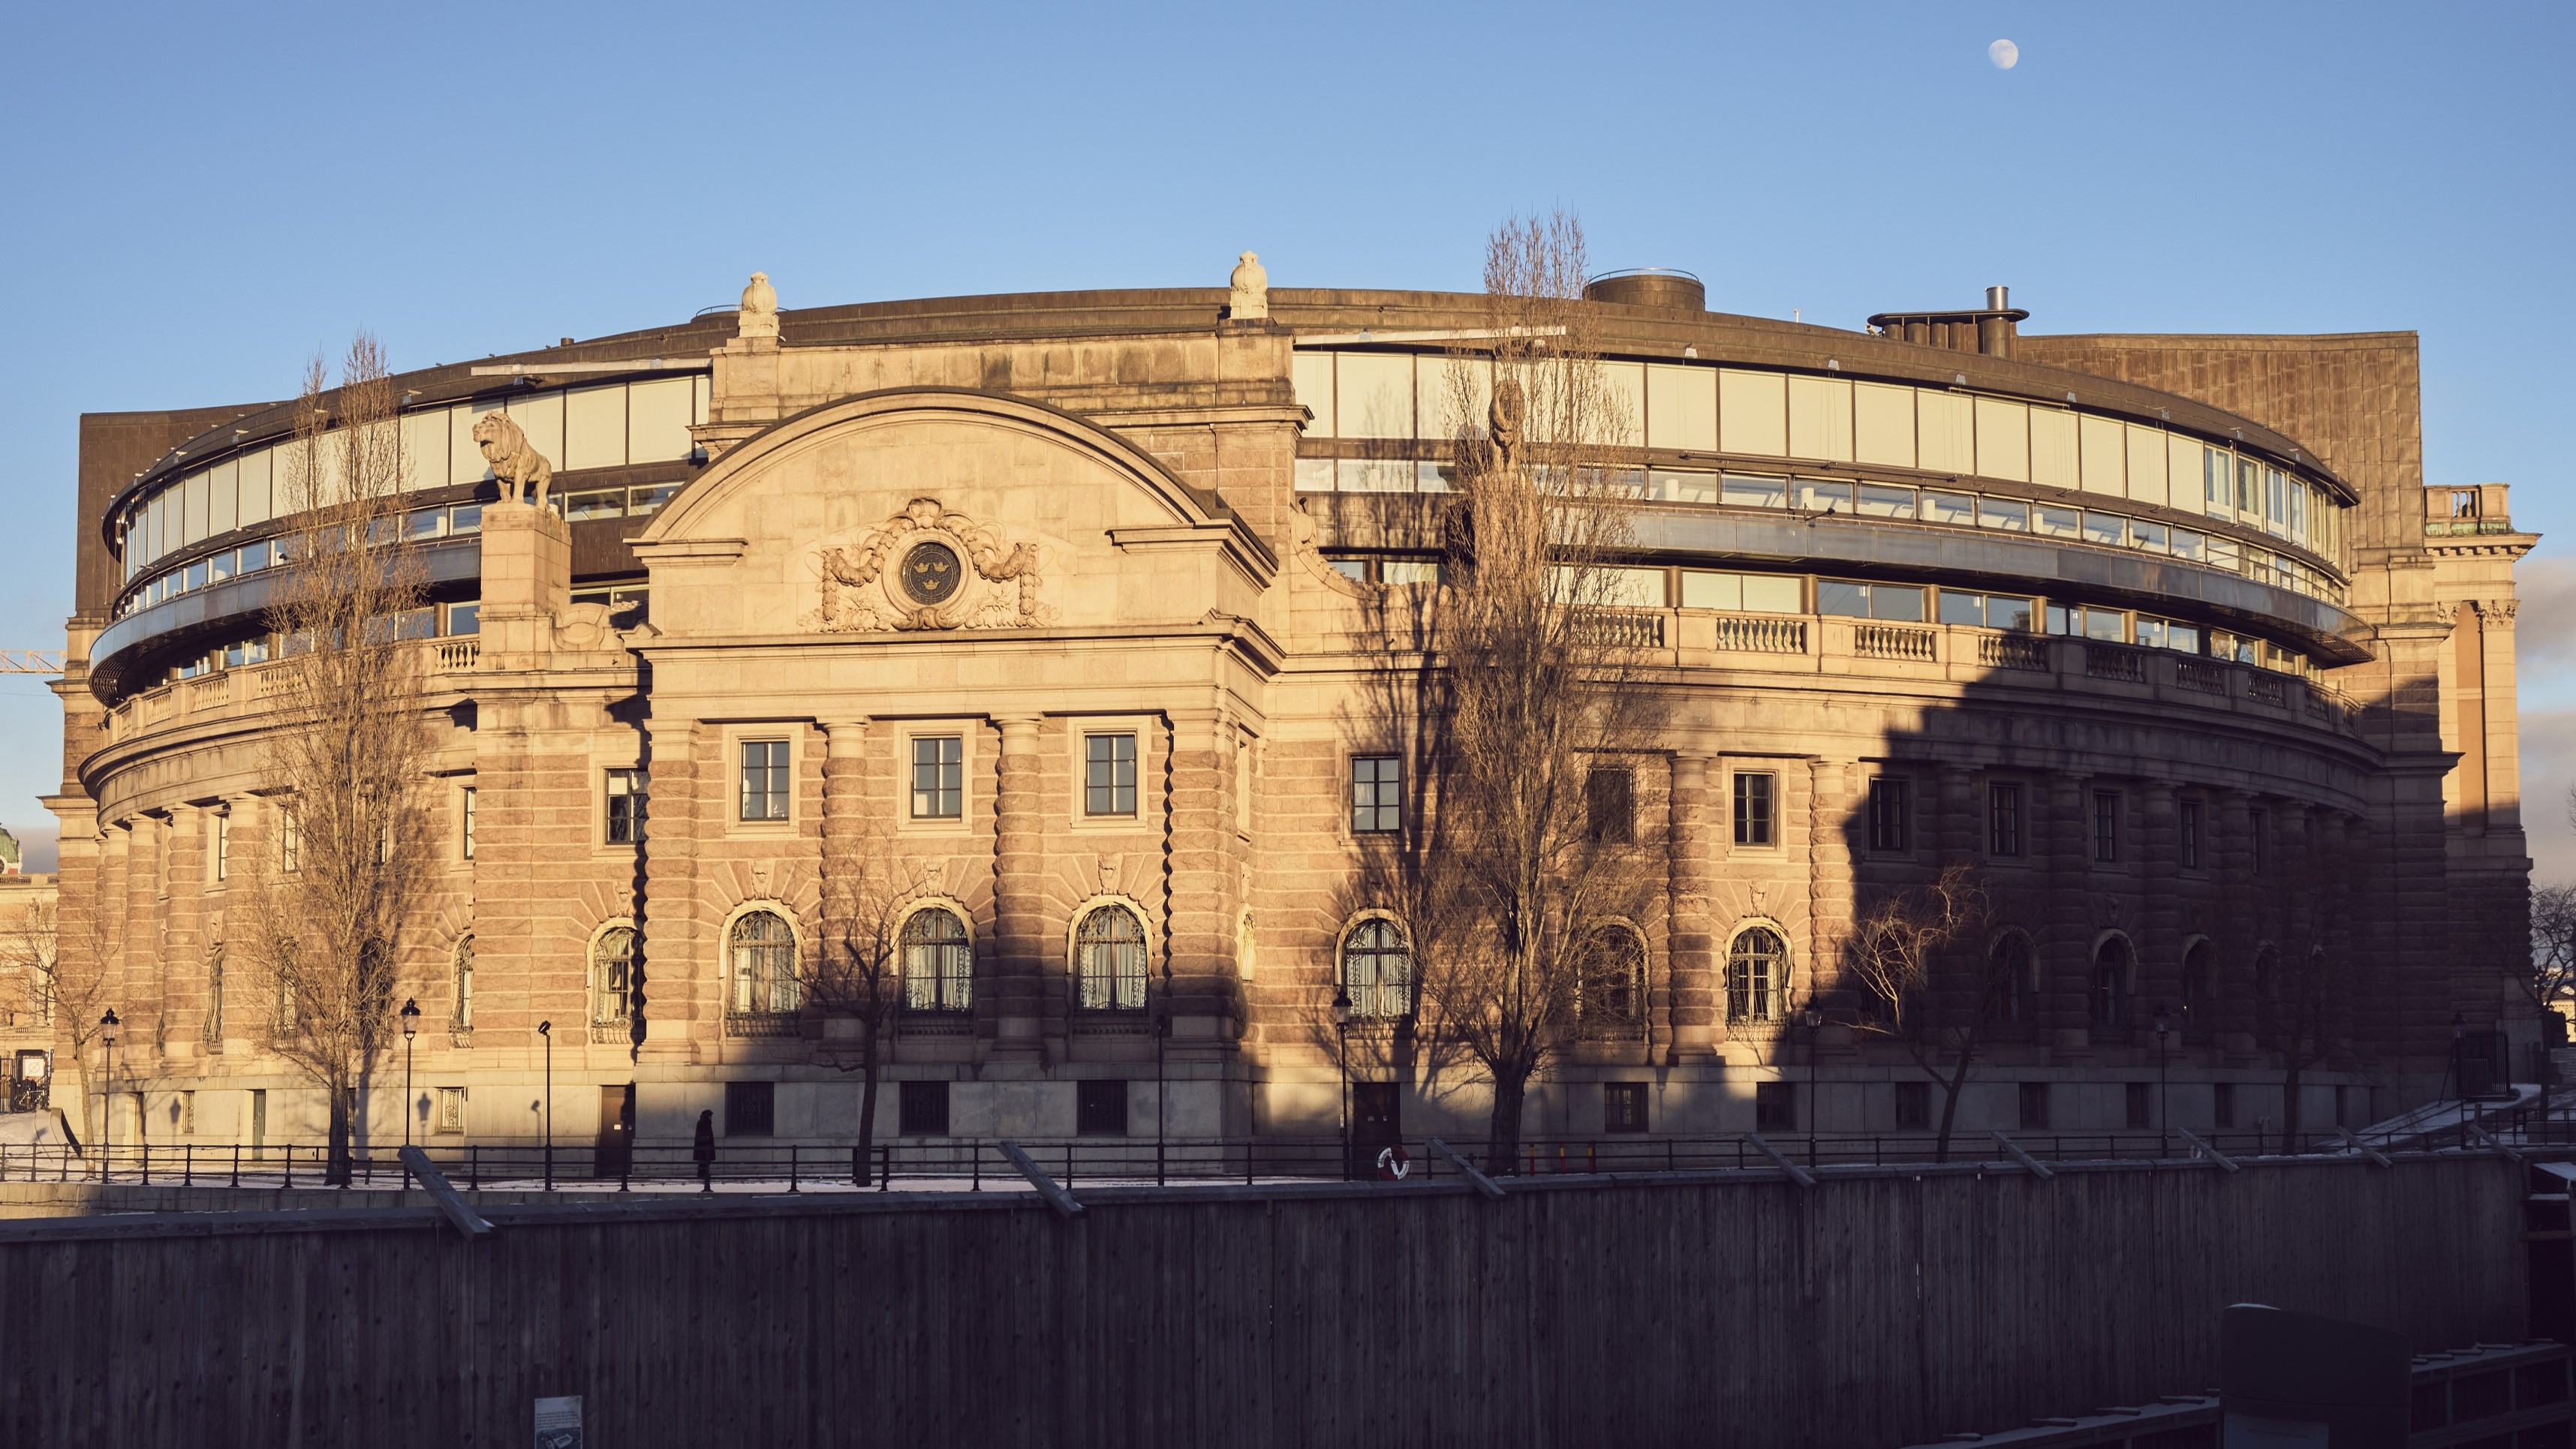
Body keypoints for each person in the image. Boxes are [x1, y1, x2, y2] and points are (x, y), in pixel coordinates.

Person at [693, 1108, 716, 1192]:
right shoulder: (703, 1123)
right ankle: (704, 1177)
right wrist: (706, 1138)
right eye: (710, 1116)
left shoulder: (705, 1122)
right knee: (704, 1161)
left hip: (705, 1147)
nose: (711, 1118)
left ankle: (704, 1176)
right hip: (704, 1147)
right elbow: (700, 1135)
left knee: (705, 1162)